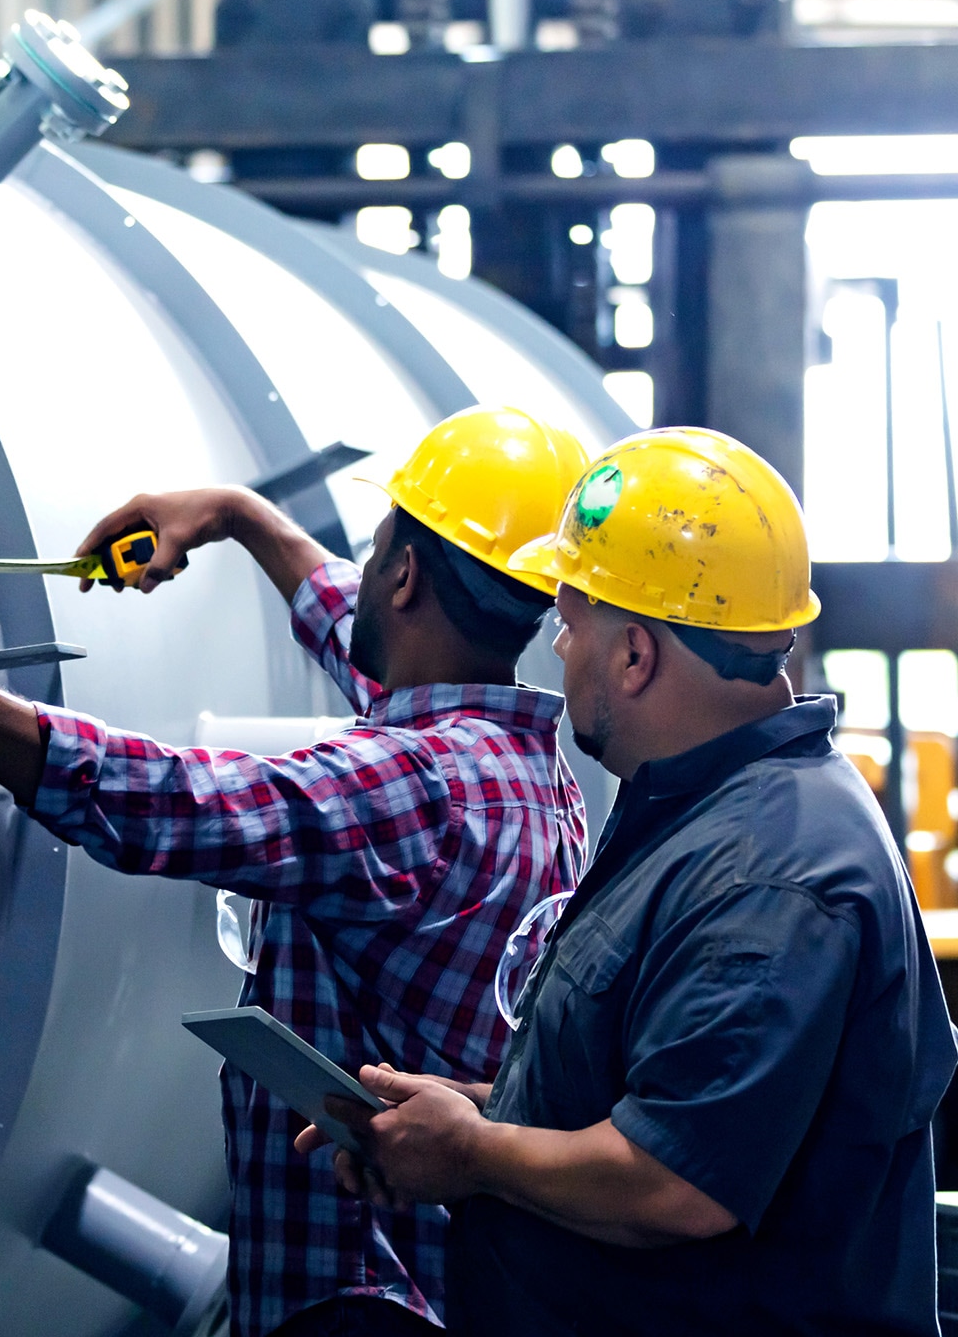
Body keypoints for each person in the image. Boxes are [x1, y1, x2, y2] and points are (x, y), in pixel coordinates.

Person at [0, 405, 591, 1337]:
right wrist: (237, 514)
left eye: (383, 542)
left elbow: (160, 799)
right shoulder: (513, 765)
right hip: (455, 1282)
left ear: (399, 576)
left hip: (366, 1295)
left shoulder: (410, 787)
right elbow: (368, 661)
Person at [303, 427, 958, 1337]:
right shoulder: (700, 814)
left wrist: (477, 1155)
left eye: (570, 627)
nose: (558, 652)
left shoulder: (769, 877)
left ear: (636, 655)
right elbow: (646, 1087)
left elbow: (677, 1183)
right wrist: (477, 1108)